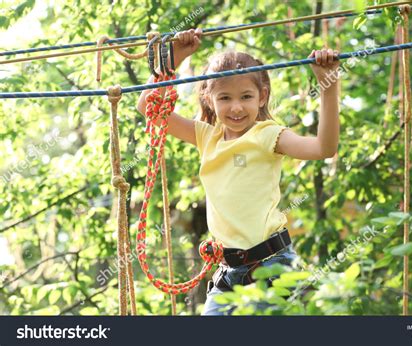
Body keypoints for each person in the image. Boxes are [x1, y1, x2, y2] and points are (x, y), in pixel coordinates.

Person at [136, 28, 340, 315]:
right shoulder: (207, 137)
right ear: (209, 99)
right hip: (228, 274)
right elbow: (148, 106)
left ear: (262, 96)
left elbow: (323, 148)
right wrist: (176, 57)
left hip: (271, 266)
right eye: (225, 98)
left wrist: (328, 85)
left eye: (245, 96)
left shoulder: (267, 134)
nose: (236, 108)